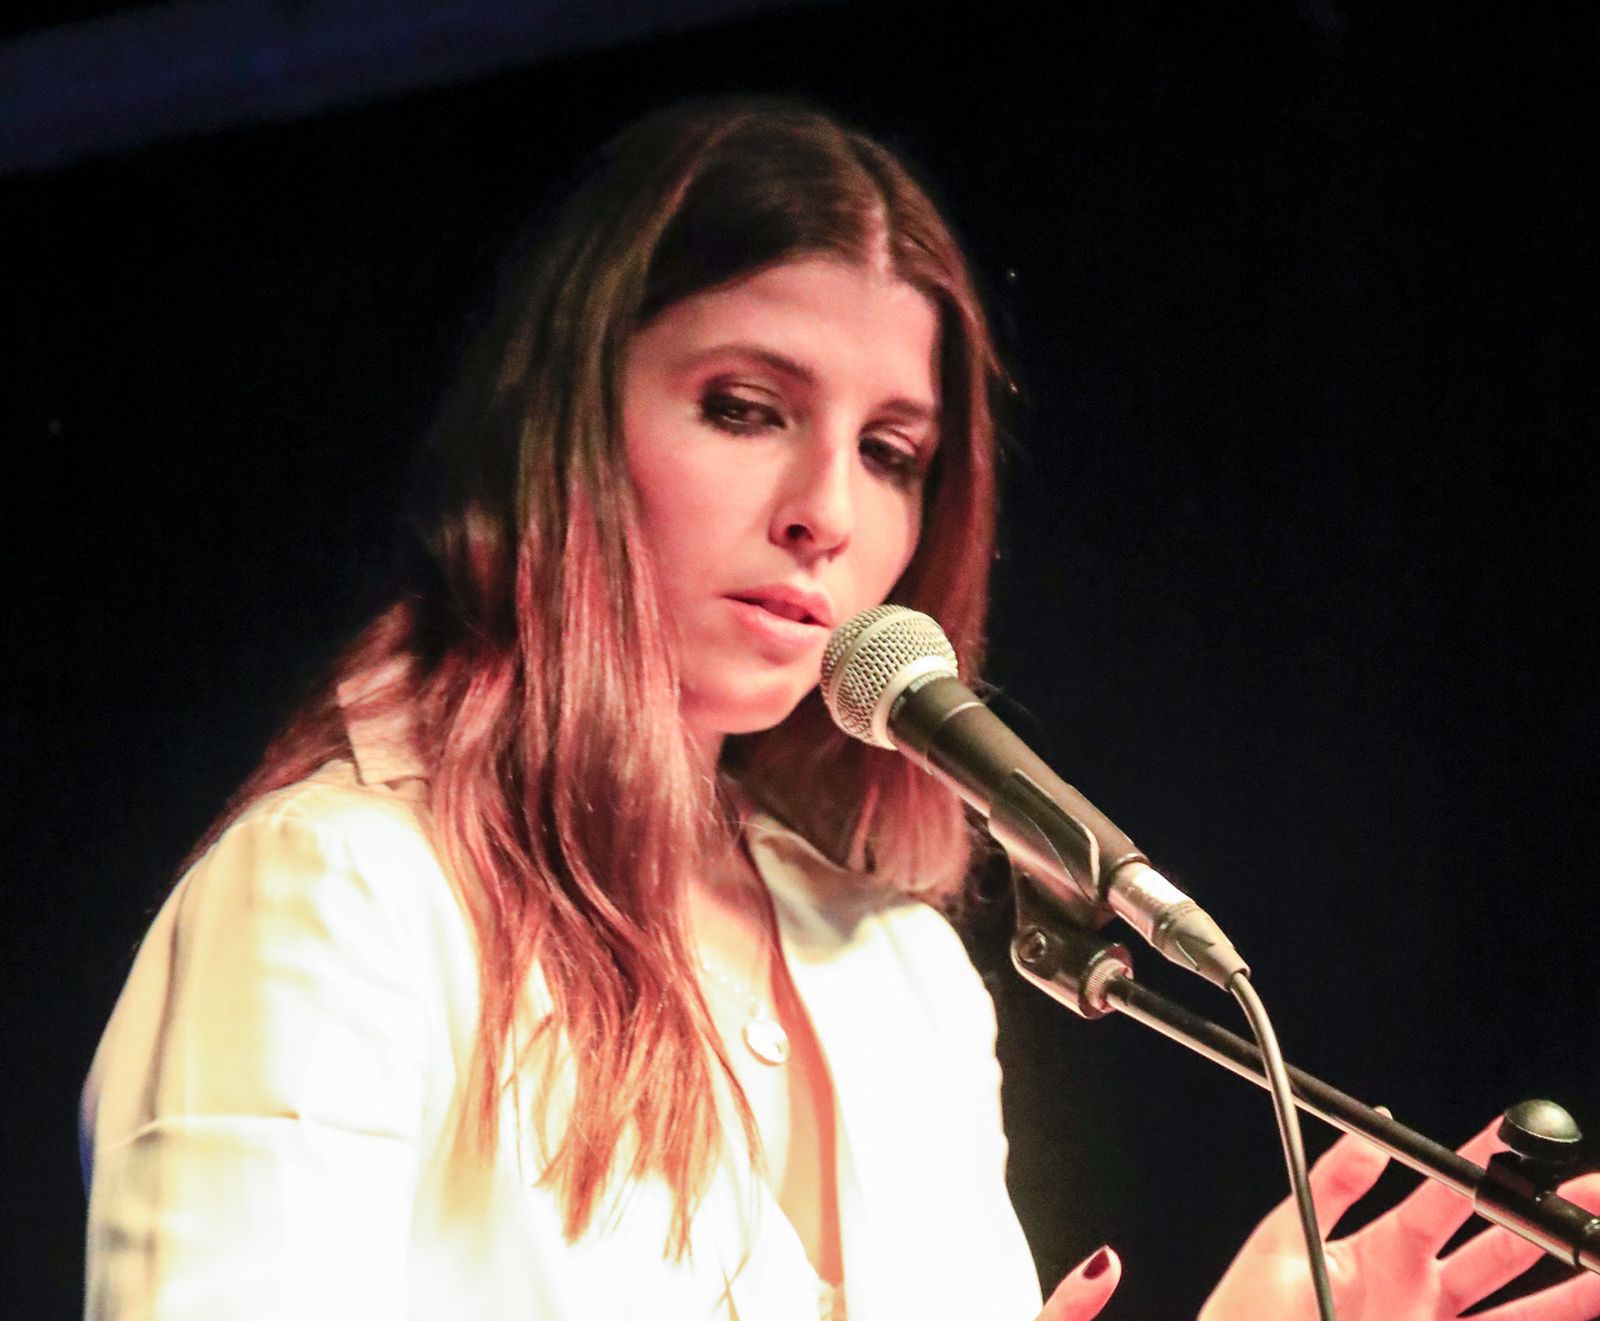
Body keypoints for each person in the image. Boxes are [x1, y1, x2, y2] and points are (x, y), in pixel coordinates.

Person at [81, 99, 1600, 1321]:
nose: (828, 513)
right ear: (566, 427)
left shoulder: (903, 977)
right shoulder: (340, 897)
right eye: (747, 408)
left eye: (890, 450)